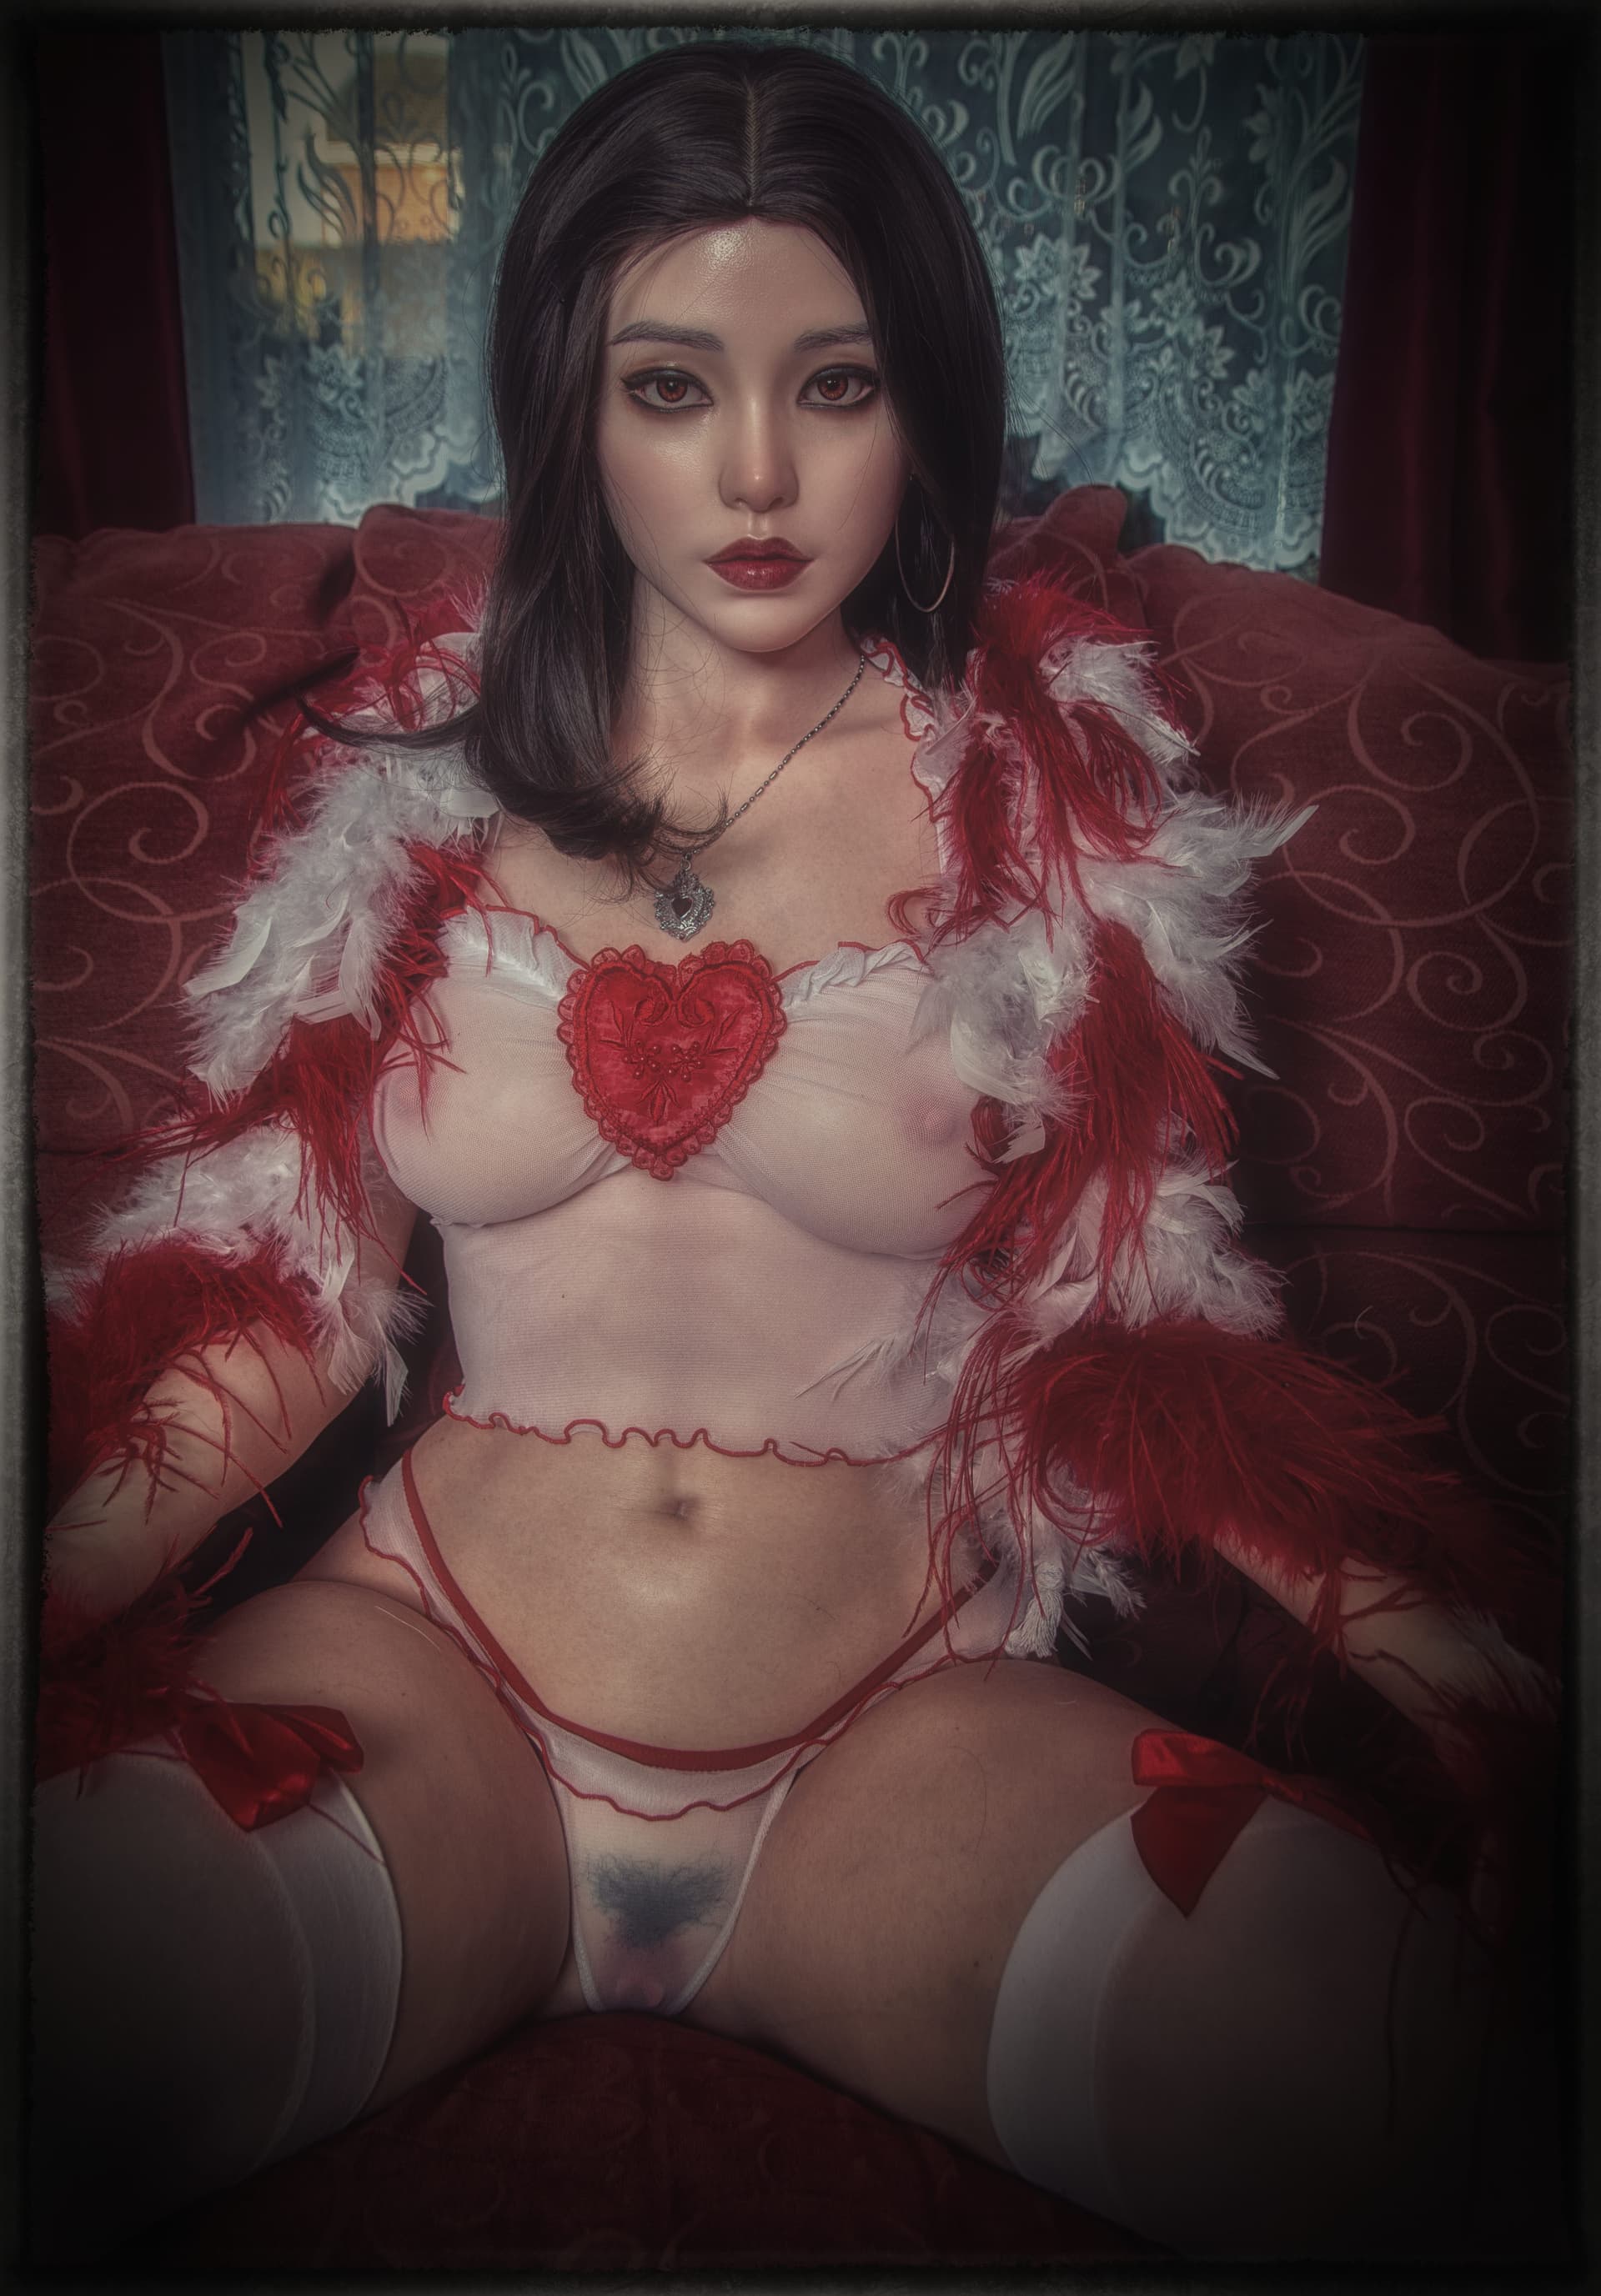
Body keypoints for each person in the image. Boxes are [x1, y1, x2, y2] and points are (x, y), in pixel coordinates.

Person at [32, 40, 1556, 2268]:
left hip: (899, 1742)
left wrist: (1469, 1674)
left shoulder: (1041, 804)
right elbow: (282, 1294)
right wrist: (46, 1597)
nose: (757, 472)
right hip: (423, 1676)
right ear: (572, 400)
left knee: (1399, 2073)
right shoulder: (415, 790)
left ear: (924, 398)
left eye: (835, 385)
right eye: (671, 387)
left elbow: (1134, 1347)